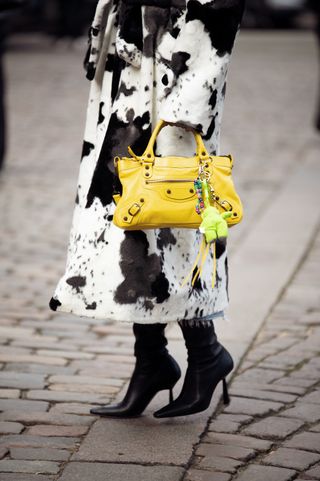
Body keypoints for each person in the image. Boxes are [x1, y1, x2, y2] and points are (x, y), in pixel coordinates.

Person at [50, 0, 245, 418]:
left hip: (175, 83)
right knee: (133, 225)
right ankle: (151, 357)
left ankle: (205, 352)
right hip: (133, 80)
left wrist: (190, 102)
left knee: (173, 222)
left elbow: (219, 7)